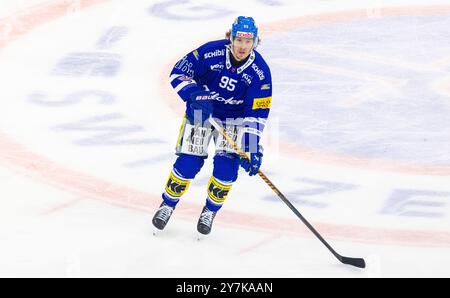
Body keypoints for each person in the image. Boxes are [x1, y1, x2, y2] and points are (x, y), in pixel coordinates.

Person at [152, 16, 272, 235]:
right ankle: (167, 204)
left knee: (226, 170)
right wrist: (195, 94)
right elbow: (178, 71)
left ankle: (210, 210)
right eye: (239, 40)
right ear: (231, 38)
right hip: (200, 113)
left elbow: (257, 113)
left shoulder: (260, 73)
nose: (242, 46)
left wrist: (252, 147)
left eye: (248, 41)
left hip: (233, 121)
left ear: (255, 42)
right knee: (188, 162)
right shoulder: (211, 52)